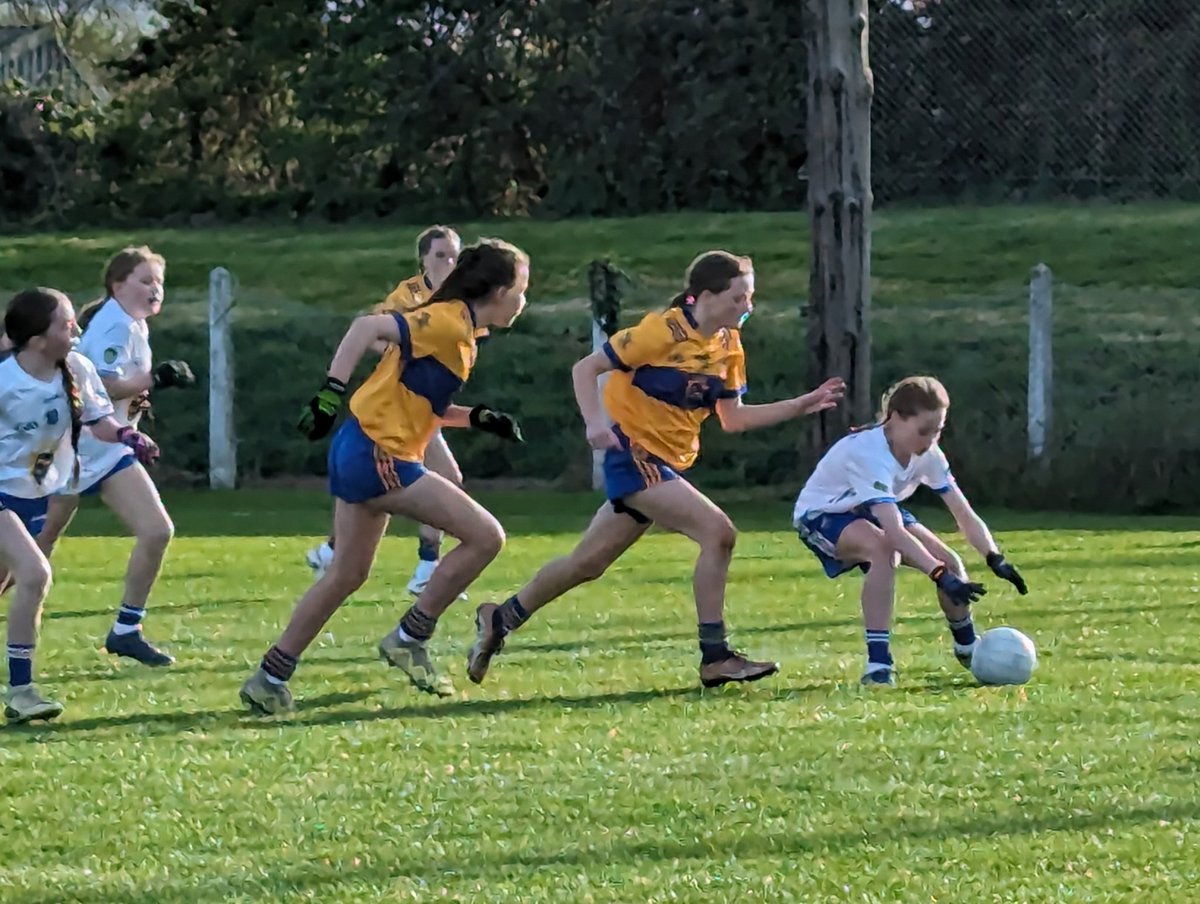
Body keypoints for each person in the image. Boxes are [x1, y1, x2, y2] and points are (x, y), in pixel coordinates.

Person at [465, 250, 846, 689]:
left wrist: (802, 405)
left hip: (664, 464)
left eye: (750, 298)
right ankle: (715, 655)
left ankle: (500, 618)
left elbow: (733, 419)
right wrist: (595, 424)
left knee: (587, 562)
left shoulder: (727, 346)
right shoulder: (662, 331)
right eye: (739, 298)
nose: (748, 307)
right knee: (718, 533)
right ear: (704, 296)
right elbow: (586, 368)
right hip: (634, 457)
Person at [240, 238, 529, 714]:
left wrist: (474, 417)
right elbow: (364, 327)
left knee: (346, 574)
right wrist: (329, 393)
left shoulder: (463, 332)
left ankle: (270, 677)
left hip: (363, 446)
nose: (524, 300)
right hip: (380, 453)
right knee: (486, 537)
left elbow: (425, 406)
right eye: (521, 289)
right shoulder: (446, 321)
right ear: (499, 291)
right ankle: (410, 637)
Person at [791, 375, 1028, 686]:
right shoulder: (869, 453)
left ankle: (970, 651)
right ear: (895, 418)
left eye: (938, 431)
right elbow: (895, 531)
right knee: (884, 550)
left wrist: (994, 556)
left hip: (873, 508)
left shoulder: (928, 455)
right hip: (823, 513)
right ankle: (878, 665)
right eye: (923, 431)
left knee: (951, 560)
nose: (930, 440)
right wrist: (939, 576)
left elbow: (962, 512)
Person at [28, 247, 194, 667]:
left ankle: (126, 630)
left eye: (159, 282)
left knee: (156, 530)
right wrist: (154, 379)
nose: (154, 289)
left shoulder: (133, 324)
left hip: (110, 450)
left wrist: (140, 396)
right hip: (73, 450)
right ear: (117, 285)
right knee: (33, 550)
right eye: (144, 280)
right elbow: (99, 383)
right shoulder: (114, 325)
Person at [1, 288, 159, 722]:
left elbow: (99, 421)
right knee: (35, 576)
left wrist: (127, 435)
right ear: (36, 339)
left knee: (11, 581)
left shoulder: (77, 367)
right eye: (65, 323)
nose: (76, 329)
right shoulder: (5, 382)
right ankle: (21, 691)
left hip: (33, 493)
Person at [305, 226, 473, 598]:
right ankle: (427, 567)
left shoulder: (459, 301)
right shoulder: (409, 295)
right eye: (440, 256)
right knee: (440, 480)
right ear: (423, 260)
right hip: (398, 404)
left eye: (454, 256)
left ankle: (331, 552)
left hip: (422, 406)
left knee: (391, 489)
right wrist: (403, 354)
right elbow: (373, 332)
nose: (449, 263)